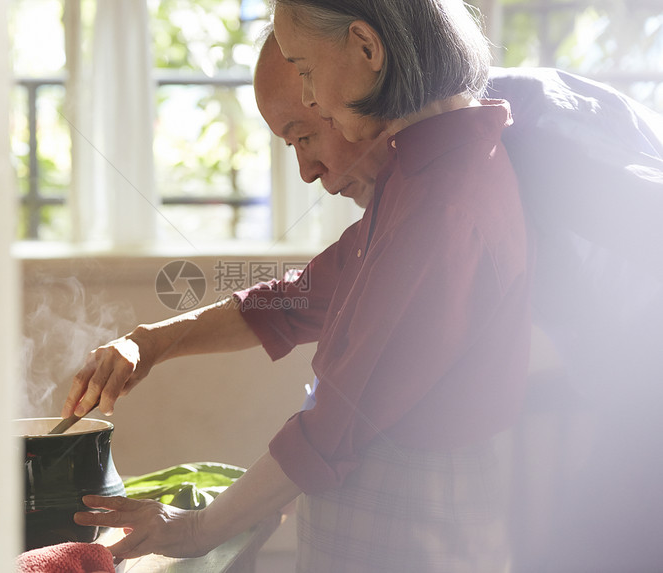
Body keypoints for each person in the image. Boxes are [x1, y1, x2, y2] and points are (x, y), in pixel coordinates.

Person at [65, 1, 531, 571]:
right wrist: (153, 340)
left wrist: (196, 530)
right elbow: (302, 297)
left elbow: (335, 423)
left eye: (307, 75)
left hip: (414, 530)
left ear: (366, 47)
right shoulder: (423, 171)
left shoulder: (443, 205)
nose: (311, 101)